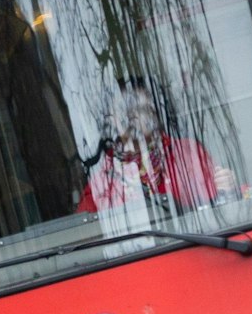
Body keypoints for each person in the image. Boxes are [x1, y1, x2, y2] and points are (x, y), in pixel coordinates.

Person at [77, 79, 236, 213]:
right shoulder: (103, 180)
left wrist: (227, 186)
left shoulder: (188, 152)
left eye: (140, 109)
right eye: (123, 110)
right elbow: (86, 231)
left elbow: (221, 205)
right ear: (112, 119)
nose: (131, 117)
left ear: (153, 115)